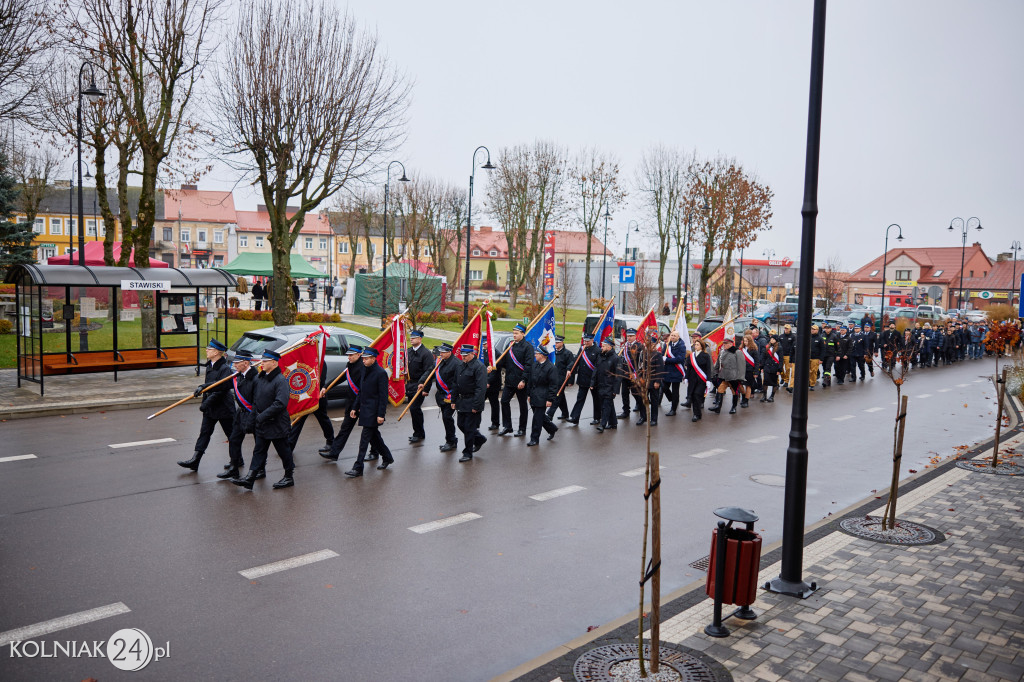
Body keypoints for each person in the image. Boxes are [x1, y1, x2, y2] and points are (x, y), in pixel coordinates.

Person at [232, 349, 295, 490]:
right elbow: (256, 401)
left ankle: (289, 476)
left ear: (274, 363)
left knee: (283, 451)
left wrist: (262, 416)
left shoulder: (281, 381)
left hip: (277, 424)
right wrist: (253, 419)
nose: (262, 363)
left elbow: (280, 403)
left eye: (265, 361)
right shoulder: (261, 378)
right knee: (259, 451)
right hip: (262, 423)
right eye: (262, 360)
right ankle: (250, 478)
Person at [179, 338, 235, 472]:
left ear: (216, 352)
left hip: (223, 408)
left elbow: (220, 389)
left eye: (209, 349)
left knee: (231, 435)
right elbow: (209, 387)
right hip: (211, 407)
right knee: (204, 433)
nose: (206, 350)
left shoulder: (224, 368)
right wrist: (202, 392)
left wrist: (205, 403)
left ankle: (236, 460)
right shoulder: (210, 365)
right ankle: (195, 460)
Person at [320, 346, 378, 462]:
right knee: (345, 428)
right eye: (348, 355)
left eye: (351, 355)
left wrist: (360, 405)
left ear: (359, 355)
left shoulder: (363, 368)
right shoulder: (350, 365)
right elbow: (341, 378)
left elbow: (365, 389)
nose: (349, 357)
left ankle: (374, 452)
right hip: (351, 402)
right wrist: (326, 387)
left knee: (371, 430)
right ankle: (334, 453)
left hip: (362, 404)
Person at [345, 348, 394, 477]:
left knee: (364, 440)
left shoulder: (380, 373)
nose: (364, 360)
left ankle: (358, 468)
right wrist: (354, 408)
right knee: (375, 438)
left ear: (373, 358)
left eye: (366, 358)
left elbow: (383, 396)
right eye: (363, 358)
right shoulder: (364, 370)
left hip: (373, 412)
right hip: (364, 410)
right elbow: (361, 391)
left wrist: (381, 415)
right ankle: (388, 457)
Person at [218, 350, 257, 480]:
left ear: (245, 363)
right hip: (240, 414)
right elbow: (222, 385)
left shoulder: (256, 378)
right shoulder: (237, 376)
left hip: (254, 414)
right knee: (234, 440)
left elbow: (258, 400)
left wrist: (252, 419)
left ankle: (260, 469)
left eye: (237, 363)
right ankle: (234, 467)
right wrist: (204, 386)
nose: (234, 365)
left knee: (259, 444)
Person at [287, 353, 334, 456]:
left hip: (317, 398)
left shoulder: (321, 363)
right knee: (298, 420)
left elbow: (320, 380)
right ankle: (290, 445)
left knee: (323, 420)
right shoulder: (304, 361)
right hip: (305, 397)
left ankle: (331, 442)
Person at [452, 344, 487, 461]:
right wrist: (453, 400)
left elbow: (480, 388)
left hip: (472, 401)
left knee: (469, 427)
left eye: (466, 355)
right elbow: (456, 384)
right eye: (462, 355)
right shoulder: (461, 366)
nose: (463, 357)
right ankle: (479, 438)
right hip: (462, 401)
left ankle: (467, 453)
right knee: (461, 424)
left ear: (472, 354)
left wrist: (476, 405)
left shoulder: (479, 367)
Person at [498, 323, 533, 437]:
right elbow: (504, 361)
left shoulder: (528, 347)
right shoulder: (510, 345)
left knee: (523, 406)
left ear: (523, 334)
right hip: (509, 381)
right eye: (513, 333)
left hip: (521, 382)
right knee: (504, 401)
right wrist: (494, 365)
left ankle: (522, 429)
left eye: (516, 333)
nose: (514, 335)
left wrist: (524, 380)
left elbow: (528, 366)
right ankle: (507, 426)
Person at [424, 344, 459, 452]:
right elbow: (429, 372)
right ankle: (452, 440)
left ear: (449, 352)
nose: (441, 354)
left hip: (451, 395)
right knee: (446, 419)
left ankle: (451, 441)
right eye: (440, 352)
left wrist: (454, 398)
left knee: (447, 418)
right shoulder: (440, 361)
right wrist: (422, 383)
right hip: (441, 396)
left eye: (443, 352)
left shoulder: (456, 364)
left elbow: (457, 383)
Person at [526, 345, 559, 446]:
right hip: (534, 395)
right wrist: (528, 394)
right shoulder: (534, 365)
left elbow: (553, 385)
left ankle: (534, 439)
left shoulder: (551, 368)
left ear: (543, 355)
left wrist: (550, 399)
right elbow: (530, 381)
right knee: (539, 416)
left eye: (537, 353)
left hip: (543, 397)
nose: (535, 355)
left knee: (537, 419)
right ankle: (552, 428)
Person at [405, 330, 433, 444]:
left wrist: (426, 389)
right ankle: (420, 432)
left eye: (414, 337)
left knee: (414, 408)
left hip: (420, 385)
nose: (411, 339)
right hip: (410, 384)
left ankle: (418, 433)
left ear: (420, 339)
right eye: (411, 337)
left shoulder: (426, 354)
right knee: (415, 410)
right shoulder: (409, 351)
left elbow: (429, 372)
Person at [567, 334, 599, 426]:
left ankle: (597, 418)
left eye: (588, 341)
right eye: (585, 341)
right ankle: (575, 417)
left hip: (593, 380)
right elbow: (576, 360)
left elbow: (597, 367)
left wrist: (594, 380)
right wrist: (570, 369)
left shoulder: (597, 350)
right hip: (583, 379)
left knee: (596, 400)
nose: (586, 342)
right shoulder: (582, 349)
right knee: (580, 399)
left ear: (592, 340)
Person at [636, 330, 664, 426]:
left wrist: (657, 381)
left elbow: (660, 369)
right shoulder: (643, 354)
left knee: (654, 400)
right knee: (642, 399)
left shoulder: (657, 355)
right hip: (644, 381)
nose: (648, 345)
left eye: (651, 343)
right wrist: (639, 379)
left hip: (653, 381)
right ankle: (643, 416)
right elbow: (640, 367)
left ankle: (654, 419)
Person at [711, 336, 743, 414]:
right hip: (723, 375)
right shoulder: (722, 352)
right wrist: (715, 373)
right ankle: (718, 407)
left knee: (734, 392)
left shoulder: (737, 352)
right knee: (720, 390)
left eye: (726, 343)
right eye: (724, 343)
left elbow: (741, 366)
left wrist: (740, 377)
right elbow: (718, 364)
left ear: (731, 344)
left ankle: (734, 407)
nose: (724, 345)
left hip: (733, 376)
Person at [546, 335, 574, 421]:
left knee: (557, 396)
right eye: (555, 342)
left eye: (558, 342)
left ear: (562, 343)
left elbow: (571, 367)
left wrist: (570, 381)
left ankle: (550, 414)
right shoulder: (553, 353)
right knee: (561, 396)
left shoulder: (568, 353)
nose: (556, 344)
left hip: (562, 378)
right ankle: (565, 413)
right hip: (553, 378)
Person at [594, 337, 620, 432]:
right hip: (601, 385)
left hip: (610, 386)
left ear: (609, 347)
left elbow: (618, 376)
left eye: (604, 346)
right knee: (609, 405)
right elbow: (596, 370)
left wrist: (615, 390)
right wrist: (593, 383)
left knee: (606, 406)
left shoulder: (616, 358)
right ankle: (613, 423)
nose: (601, 347)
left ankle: (603, 424)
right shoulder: (601, 356)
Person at [684, 338, 712, 421]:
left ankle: (696, 414)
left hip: (701, 380)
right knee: (692, 396)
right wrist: (686, 377)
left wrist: (708, 380)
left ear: (702, 346)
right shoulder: (691, 355)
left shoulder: (706, 356)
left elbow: (708, 369)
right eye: (695, 344)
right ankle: (698, 413)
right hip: (692, 380)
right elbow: (688, 368)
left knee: (697, 395)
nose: (695, 346)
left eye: (697, 345)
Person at [661, 330, 686, 416]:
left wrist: (667, 360)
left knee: (675, 391)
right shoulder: (667, 345)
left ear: (678, 337)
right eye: (672, 335)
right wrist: (662, 358)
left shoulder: (682, 346)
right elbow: (662, 354)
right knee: (663, 387)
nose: (672, 337)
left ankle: (673, 409)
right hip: (667, 370)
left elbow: (680, 359)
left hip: (677, 371)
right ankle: (672, 399)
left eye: (675, 336)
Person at [618, 328, 639, 419]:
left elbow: (640, 362)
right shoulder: (625, 346)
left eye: (631, 336)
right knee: (624, 394)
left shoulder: (639, 346)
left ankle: (642, 411)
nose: (629, 338)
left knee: (636, 394)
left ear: (635, 336)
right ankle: (626, 411)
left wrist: (637, 374)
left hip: (634, 374)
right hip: (625, 374)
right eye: (628, 336)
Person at [761, 338, 782, 403]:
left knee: (774, 382)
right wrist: (762, 367)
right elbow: (764, 357)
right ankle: (764, 396)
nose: (771, 340)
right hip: (767, 366)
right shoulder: (767, 347)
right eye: (771, 339)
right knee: (765, 381)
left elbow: (781, 359)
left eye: (773, 339)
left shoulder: (779, 348)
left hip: (775, 367)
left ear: (776, 340)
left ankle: (772, 396)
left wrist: (779, 369)